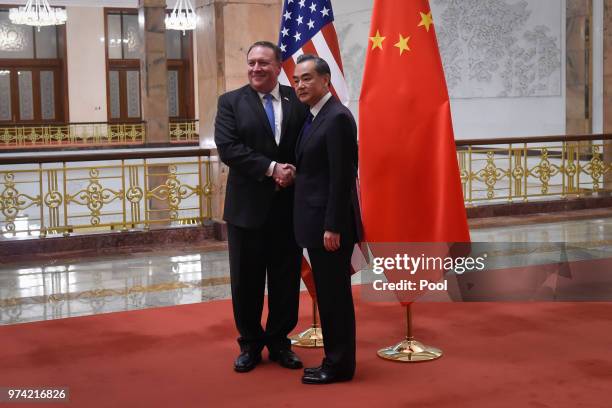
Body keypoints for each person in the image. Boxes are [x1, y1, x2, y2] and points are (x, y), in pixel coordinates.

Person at [214, 41, 307, 373]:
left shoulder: (297, 99)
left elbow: (309, 143)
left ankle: (280, 342)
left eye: (263, 63)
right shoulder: (231, 102)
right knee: (247, 282)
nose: (256, 68)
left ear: (279, 66)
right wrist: (272, 169)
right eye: (251, 62)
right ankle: (250, 344)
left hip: (288, 208)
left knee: (285, 281)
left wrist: (295, 169)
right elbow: (229, 148)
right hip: (246, 211)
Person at [292, 54, 362, 384]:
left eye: (307, 78)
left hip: (329, 228)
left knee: (335, 298)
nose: (300, 85)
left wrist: (333, 225)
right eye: (296, 79)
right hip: (316, 224)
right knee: (330, 295)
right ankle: (334, 360)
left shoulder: (336, 118)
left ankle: (338, 366)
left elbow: (342, 177)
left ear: (325, 81)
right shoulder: (314, 117)